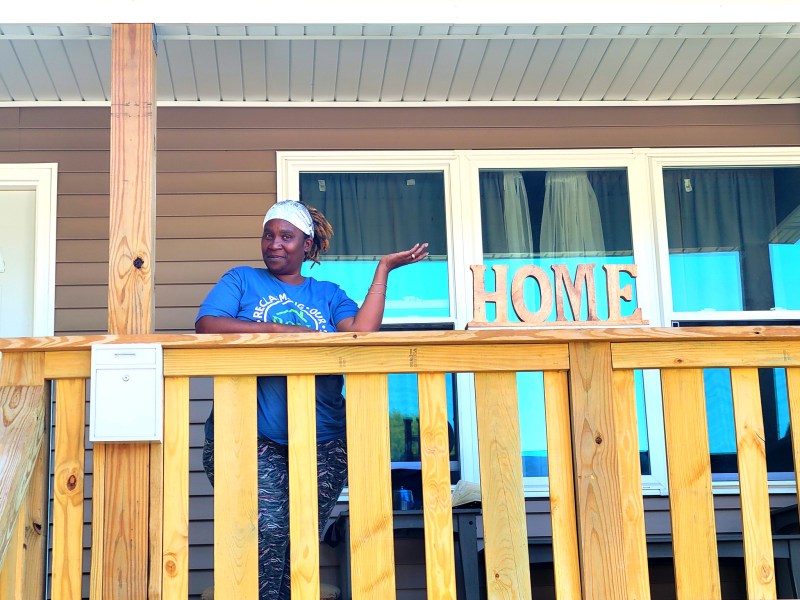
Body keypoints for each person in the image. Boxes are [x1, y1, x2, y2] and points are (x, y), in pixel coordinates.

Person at [195, 199, 428, 600]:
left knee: (300, 536)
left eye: (287, 237)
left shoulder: (327, 294)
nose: (274, 244)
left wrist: (383, 270)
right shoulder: (242, 280)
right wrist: (276, 331)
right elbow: (207, 324)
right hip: (253, 434)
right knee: (267, 529)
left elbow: (361, 332)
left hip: (323, 439)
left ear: (307, 245)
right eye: (269, 235)